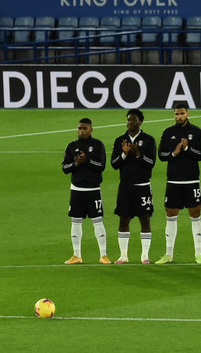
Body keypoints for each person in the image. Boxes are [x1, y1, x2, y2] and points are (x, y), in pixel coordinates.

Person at [155, 104, 201, 265]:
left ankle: (198, 254)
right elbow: (161, 155)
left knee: (195, 215)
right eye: (177, 114)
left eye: (182, 113)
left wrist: (186, 149)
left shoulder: (196, 132)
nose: (179, 117)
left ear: (187, 113)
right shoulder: (168, 132)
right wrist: (174, 153)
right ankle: (169, 254)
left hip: (191, 180)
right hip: (173, 181)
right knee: (170, 215)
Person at [110, 109, 156, 264]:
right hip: (125, 187)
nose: (130, 122)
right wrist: (124, 154)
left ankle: (145, 256)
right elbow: (114, 164)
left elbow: (151, 163)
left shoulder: (148, 140)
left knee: (145, 219)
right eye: (128, 120)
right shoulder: (120, 140)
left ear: (140, 121)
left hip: (142, 186)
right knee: (124, 219)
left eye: (133, 120)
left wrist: (138, 154)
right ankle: (123, 255)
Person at [61, 118, 109, 264]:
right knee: (75, 221)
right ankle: (76, 255)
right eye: (80, 128)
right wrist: (76, 163)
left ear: (91, 129)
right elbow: (65, 168)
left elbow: (101, 166)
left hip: (93, 189)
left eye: (84, 128)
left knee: (98, 221)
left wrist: (86, 160)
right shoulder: (71, 146)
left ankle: (103, 255)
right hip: (76, 189)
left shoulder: (98, 145)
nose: (81, 131)